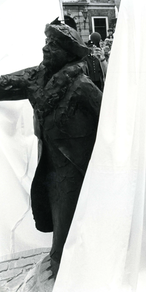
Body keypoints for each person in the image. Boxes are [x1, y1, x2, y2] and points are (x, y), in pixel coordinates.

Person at [0, 21, 102, 277]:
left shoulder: (81, 86)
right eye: (47, 42)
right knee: (56, 212)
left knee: (67, 217)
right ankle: (63, 262)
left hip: (75, 165)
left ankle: (65, 267)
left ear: (68, 54)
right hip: (50, 162)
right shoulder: (37, 78)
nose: (47, 48)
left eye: (54, 45)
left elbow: (109, 122)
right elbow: (6, 84)